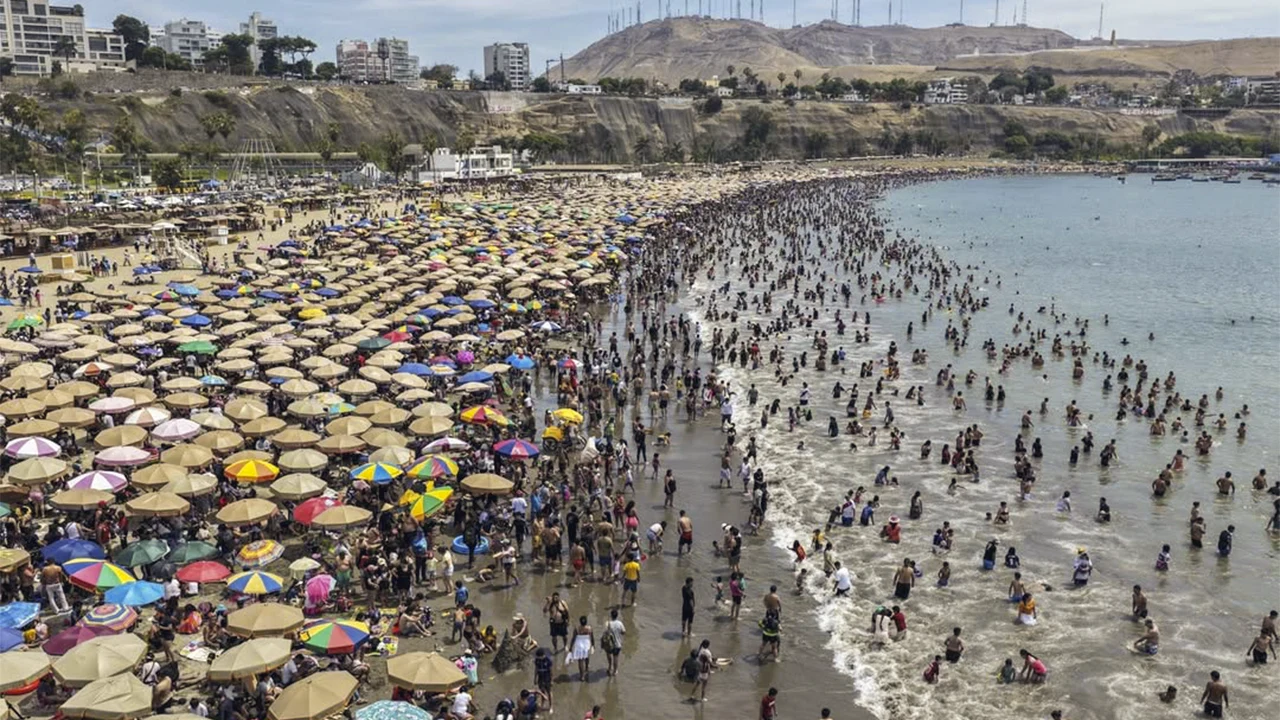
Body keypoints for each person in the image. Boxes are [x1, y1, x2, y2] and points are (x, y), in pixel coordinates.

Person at [568, 616, 594, 681]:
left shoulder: (577, 629)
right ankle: (587, 667)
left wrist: (571, 647)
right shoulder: (589, 628)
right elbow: (592, 638)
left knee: (580, 660)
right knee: (587, 656)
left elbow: (573, 638)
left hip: (579, 644)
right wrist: (593, 645)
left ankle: (582, 676)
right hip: (586, 644)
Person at [603, 608, 625, 676]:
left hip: (609, 644)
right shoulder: (620, 623)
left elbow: (605, 633)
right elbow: (624, 632)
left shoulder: (608, 623)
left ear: (611, 615)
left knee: (609, 655)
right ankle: (615, 671)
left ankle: (610, 667)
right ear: (617, 615)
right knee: (616, 657)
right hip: (617, 644)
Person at [533, 647, 554, 713]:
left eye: (539, 657)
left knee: (549, 692)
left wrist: (551, 680)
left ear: (543, 655)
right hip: (540, 678)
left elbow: (551, 671)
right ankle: (542, 704)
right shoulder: (537, 660)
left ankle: (551, 706)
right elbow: (536, 669)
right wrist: (535, 678)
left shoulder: (548, 660)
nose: (538, 658)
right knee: (542, 692)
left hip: (547, 678)